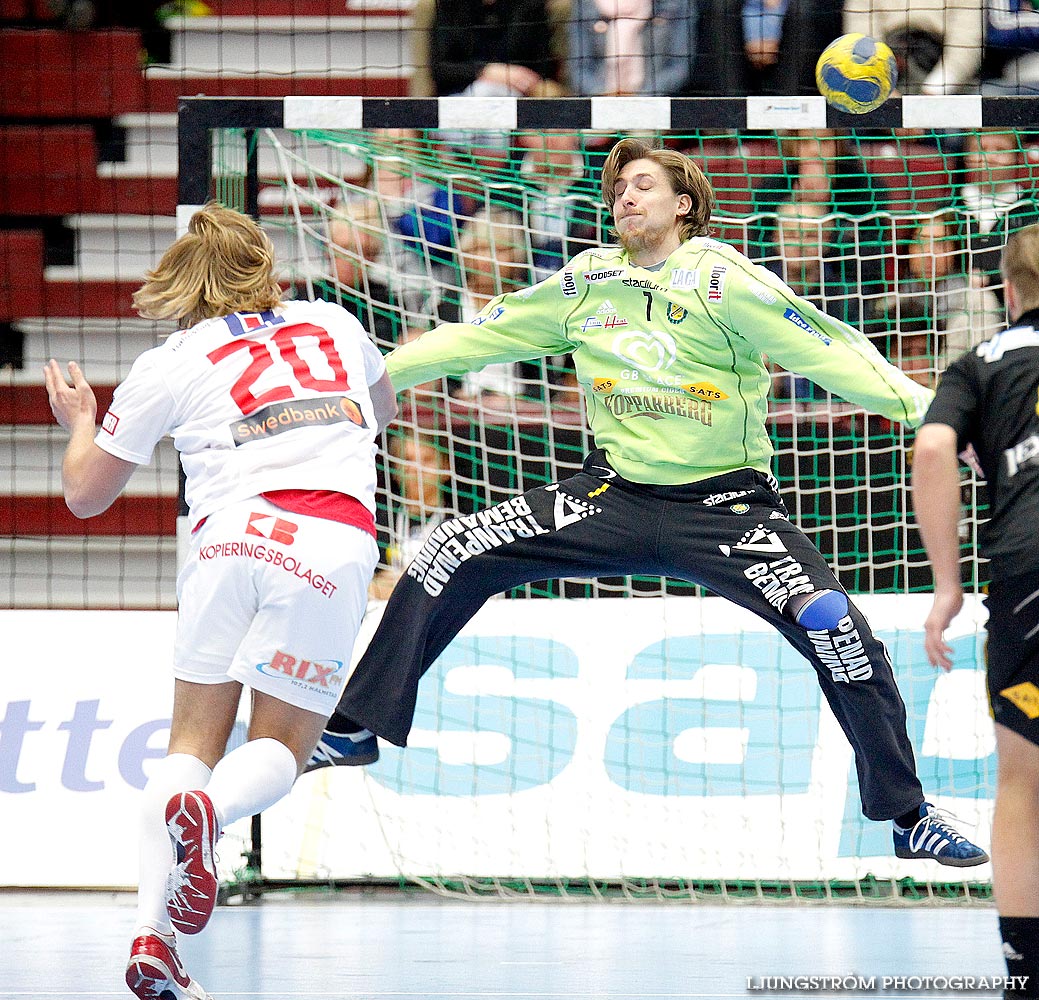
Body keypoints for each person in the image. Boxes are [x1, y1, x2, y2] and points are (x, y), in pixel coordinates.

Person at [310, 135, 989, 869]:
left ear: (684, 204)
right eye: (615, 191)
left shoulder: (723, 279)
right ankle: (353, 726)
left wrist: (939, 417)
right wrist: (370, 386)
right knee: (448, 548)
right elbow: (476, 339)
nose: (623, 198)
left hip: (725, 510)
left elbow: (829, 351)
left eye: (641, 185)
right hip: (610, 494)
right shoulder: (584, 282)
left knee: (836, 626)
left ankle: (906, 814)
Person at [43, 202, 396, 1000]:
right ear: (264, 268)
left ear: (185, 280)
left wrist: (81, 422)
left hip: (227, 539)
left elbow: (84, 497)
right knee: (281, 745)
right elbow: (383, 413)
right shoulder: (332, 322)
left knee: (186, 746)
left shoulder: (172, 359)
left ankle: (150, 938)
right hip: (327, 542)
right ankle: (210, 814)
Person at [911, 223, 1039, 1000]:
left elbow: (930, 452)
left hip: (1025, 568)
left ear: (1006, 289)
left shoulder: (979, 362)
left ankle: (1024, 976)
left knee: (1022, 778)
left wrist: (946, 585)